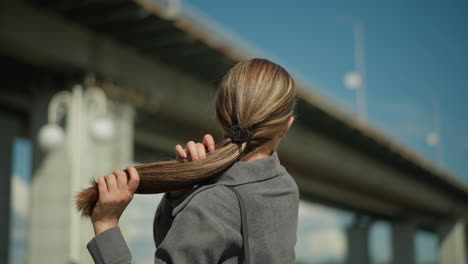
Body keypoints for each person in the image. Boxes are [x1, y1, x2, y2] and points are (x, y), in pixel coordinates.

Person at [86, 58, 299, 263]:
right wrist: (180, 197)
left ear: (220, 114)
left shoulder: (214, 202)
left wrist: (106, 225)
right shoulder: (286, 188)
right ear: (286, 127)